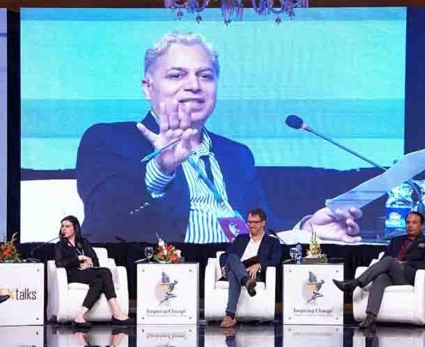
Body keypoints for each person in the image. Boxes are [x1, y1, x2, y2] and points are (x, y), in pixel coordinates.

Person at [76, 31, 361, 244]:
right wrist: (161, 169)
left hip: (237, 282)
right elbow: (104, 224)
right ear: (148, 88)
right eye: (176, 75)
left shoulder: (236, 155)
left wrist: (306, 230)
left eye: (205, 75)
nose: (194, 85)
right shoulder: (109, 140)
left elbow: (261, 230)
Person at [333, 211, 425, 331]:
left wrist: (403, 264)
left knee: (389, 260)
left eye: (414, 222)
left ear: (422, 225)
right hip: (391, 274)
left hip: (409, 276)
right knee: (380, 277)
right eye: (408, 222)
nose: (410, 225)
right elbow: (383, 260)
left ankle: (354, 283)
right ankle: (370, 317)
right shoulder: (396, 240)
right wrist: (392, 263)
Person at [54, 215, 131, 329]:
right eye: (62, 226)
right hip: (72, 274)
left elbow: (95, 260)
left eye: (67, 226)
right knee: (105, 271)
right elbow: (59, 263)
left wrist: (89, 264)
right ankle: (116, 312)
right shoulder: (60, 245)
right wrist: (78, 259)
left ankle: (79, 316)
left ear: (75, 228)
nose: (63, 229)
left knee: (99, 282)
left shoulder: (83, 242)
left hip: (87, 272)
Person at [219, 208, 282, 328]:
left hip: (253, 274)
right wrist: (223, 266)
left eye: (255, 222)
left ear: (263, 223)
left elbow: (275, 260)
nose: (251, 225)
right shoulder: (240, 238)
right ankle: (246, 282)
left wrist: (259, 265)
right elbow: (224, 255)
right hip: (240, 270)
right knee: (232, 257)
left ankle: (229, 316)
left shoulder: (272, 242)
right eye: (249, 222)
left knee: (233, 274)